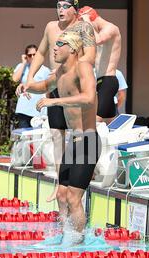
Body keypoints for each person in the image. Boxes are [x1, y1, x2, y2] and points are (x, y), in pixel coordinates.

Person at [16, 0, 96, 202]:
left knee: (80, 131)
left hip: (73, 86)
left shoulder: (83, 27)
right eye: (58, 6)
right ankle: (60, 183)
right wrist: (29, 79)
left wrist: (67, 71)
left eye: (65, 6)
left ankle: (82, 176)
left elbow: (90, 57)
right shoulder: (51, 27)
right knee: (57, 135)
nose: (60, 10)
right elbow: (41, 53)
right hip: (54, 86)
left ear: (75, 9)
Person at [26, 31, 100, 245]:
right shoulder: (60, 72)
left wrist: (55, 102)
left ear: (73, 49)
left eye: (60, 44)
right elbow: (44, 86)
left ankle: (77, 243)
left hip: (88, 142)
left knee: (74, 198)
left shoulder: (83, 67)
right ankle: (65, 237)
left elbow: (88, 97)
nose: (54, 48)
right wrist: (27, 85)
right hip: (73, 144)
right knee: (61, 195)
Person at [79, 6, 122, 124]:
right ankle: (112, 142)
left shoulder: (111, 28)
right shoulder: (97, 32)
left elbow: (97, 40)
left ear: (91, 18)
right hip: (100, 81)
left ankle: (86, 142)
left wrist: (86, 21)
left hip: (108, 81)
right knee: (109, 122)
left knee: (94, 120)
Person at [12, 45, 50, 128]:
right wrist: (24, 63)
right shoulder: (22, 66)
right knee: (25, 139)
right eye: (29, 55)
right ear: (26, 56)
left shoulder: (45, 70)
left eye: (34, 55)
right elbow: (15, 79)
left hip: (39, 110)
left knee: (38, 139)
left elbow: (48, 90)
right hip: (24, 109)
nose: (32, 57)